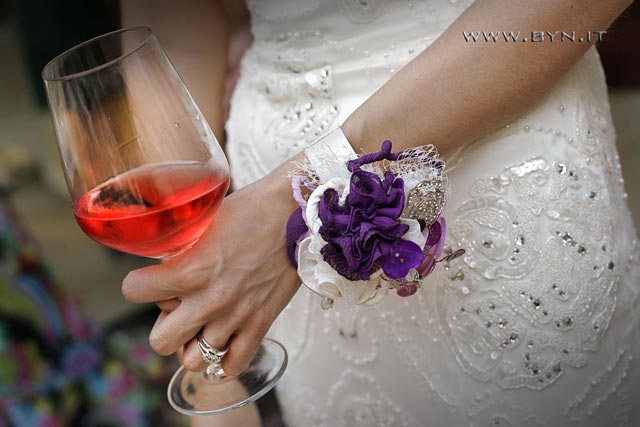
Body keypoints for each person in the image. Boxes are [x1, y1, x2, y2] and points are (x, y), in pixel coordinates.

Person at [122, 0, 640, 425]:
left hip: (495, 124)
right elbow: (178, 24)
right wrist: (203, 296)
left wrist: (293, 202)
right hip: (267, 168)